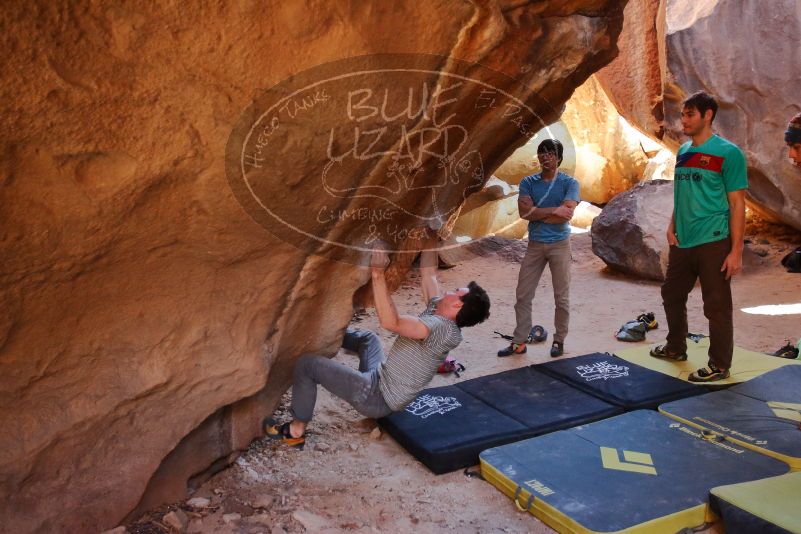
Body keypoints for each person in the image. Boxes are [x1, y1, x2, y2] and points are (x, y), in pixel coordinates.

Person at [265, 246, 490, 448]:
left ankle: (295, 431)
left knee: (307, 365)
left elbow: (392, 322)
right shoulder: (439, 310)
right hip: (381, 377)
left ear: (457, 305)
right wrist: (430, 235)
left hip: (377, 397)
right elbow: (429, 274)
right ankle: (322, 335)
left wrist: (377, 273)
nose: (448, 291)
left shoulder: (442, 329)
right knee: (368, 339)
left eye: (455, 291)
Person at [650, 91, 748, 382]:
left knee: (716, 304)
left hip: (714, 240)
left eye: (690, 114)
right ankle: (675, 347)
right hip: (683, 239)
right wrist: (671, 224)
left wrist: (736, 251)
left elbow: (737, 204)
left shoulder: (729, 153)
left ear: (708, 115)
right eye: (683, 114)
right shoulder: (683, 152)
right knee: (671, 293)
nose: (684, 120)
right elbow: (682, 194)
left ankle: (719, 364)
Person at [498, 139, 580, 358]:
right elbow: (524, 214)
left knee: (561, 297)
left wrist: (538, 211)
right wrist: (554, 211)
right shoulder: (528, 182)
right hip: (535, 245)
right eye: (542, 152)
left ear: (559, 158)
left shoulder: (570, 183)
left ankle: (559, 340)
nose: (545, 156)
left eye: (551, 153)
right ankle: (519, 342)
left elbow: (565, 215)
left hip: (559, 245)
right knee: (523, 295)